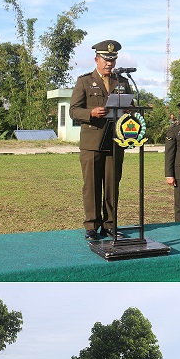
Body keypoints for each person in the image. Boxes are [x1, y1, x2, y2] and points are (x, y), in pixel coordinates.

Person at [68, 40, 133, 240]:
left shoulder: (122, 82)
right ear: (96, 59)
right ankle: (91, 225)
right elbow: (73, 111)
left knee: (112, 185)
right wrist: (91, 112)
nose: (109, 64)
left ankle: (110, 224)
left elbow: (129, 103)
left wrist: (129, 110)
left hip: (115, 141)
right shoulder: (84, 81)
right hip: (92, 143)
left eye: (112, 60)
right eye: (105, 60)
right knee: (92, 185)